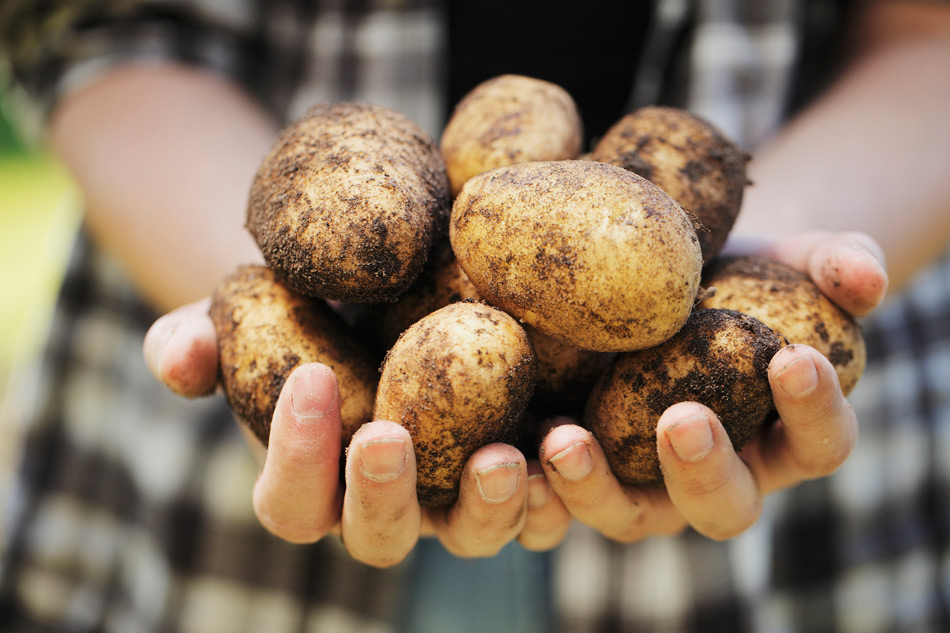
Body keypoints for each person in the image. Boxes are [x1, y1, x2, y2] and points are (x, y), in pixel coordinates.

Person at [0, 1, 946, 631]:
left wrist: (774, 253)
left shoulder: (612, 243)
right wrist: (246, 273)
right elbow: (95, 23)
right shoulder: (428, 230)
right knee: (448, 325)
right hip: (215, 540)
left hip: (795, 558)